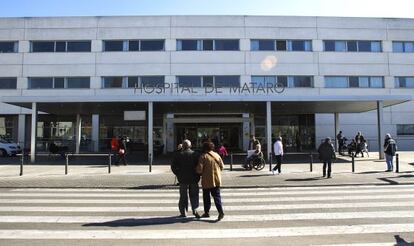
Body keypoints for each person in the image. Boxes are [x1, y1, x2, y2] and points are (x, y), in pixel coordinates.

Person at [171, 140, 201, 218]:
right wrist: (199, 174)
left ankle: (183, 212)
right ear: (190, 146)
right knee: (194, 195)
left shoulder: (178, 155)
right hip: (194, 178)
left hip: (182, 179)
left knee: (183, 196)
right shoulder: (195, 154)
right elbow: (199, 166)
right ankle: (195, 209)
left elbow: (173, 167)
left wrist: (178, 174)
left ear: (183, 146)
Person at [196, 141, 225, 221]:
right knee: (217, 197)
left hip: (207, 180)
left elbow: (199, 170)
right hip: (216, 179)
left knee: (206, 197)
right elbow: (222, 166)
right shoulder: (216, 155)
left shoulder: (203, 156)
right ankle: (220, 212)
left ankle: (207, 212)